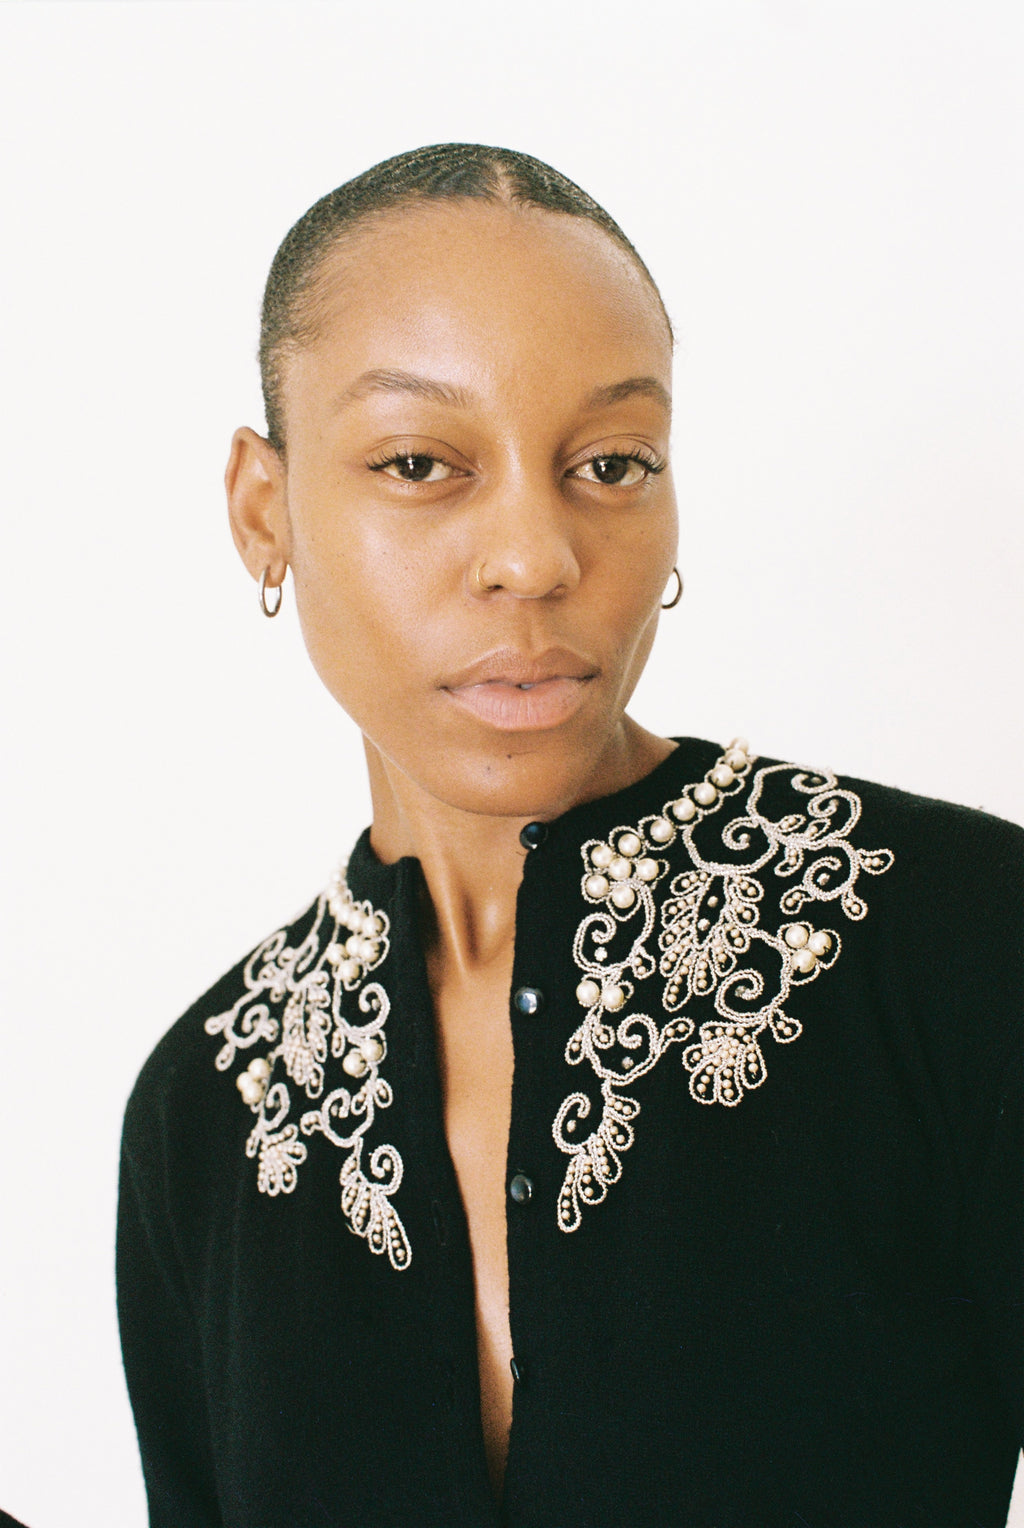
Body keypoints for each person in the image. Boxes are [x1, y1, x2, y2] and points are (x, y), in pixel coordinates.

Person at [116, 143, 1023, 1528]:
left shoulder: (964, 944)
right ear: (264, 511)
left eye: (611, 462)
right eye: (422, 462)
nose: (536, 556)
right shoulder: (203, 1113)